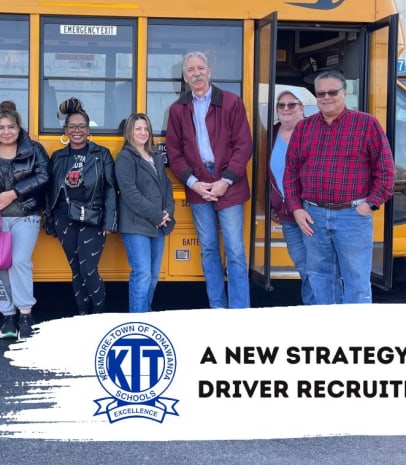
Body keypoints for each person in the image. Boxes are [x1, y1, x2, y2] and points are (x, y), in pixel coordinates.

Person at [284, 70, 395, 304]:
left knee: (356, 280)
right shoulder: (304, 128)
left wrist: (369, 205)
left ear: (344, 94)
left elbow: (386, 171)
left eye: (332, 92)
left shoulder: (367, 124)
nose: (327, 97)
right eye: (321, 93)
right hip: (313, 216)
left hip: (352, 216)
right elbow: (291, 173)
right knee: (319, 278)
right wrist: (296, 208)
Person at [165, 51, 253, 309]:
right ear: (184, 77)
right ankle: (217, 308)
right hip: (198, 186)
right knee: (209, 250)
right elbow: (174, 152)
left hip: (231, 185)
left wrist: (226, 180)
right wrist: (193, 182)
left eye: (200, 68)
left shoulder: (231, 102)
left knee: (235, 251)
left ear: (209, 72)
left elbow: (244, 145)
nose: (196, 73)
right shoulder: (178, 109)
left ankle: (239, 310)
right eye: (190, 70)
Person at [0, 103, 49, 341]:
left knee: (19, 261)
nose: (6, 132)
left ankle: (25, 314)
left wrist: (14, 193)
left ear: (19, 127)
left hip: (27, 214)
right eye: (1, 127)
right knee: (1, 266)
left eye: (11, 127)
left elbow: (44, 176)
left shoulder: (34, 150)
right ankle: (8, 316)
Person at [46, 98, 118, 315]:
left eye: (82, 126)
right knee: (76, 270)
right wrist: (49, 220)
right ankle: (82, 314)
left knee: (88, 269)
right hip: (63, 217)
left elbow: (110, 188)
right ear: (66, 130)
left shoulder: (101, 154)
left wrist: (109, 221)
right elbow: (51, 190)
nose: (77, 130)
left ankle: (99, 312)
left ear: (88, 130)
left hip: (93, 217)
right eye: (72, 126)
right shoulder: (58, 157)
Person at [115, 113, 175, 313]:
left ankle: (146, 315)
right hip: (136, 224)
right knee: (142, 273)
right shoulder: (125, 157)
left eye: (146, 129)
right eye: (138, 128)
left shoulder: (155, 156)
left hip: (158, 224)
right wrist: (157, 215)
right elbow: (130, 193)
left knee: (153, 275)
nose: (143, 133)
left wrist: (167, 212)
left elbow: (166, 187)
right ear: (130, 132)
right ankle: (137, 320)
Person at [269, 90, 313, 305]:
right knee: (303, 266)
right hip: (287, 214)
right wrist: (273, 203)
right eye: (281, 105)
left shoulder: (312, 131)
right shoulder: (272, 133)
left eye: (292, 105)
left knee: (317, 267)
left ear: (302, 108)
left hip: (311, 212)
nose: (286, 109)